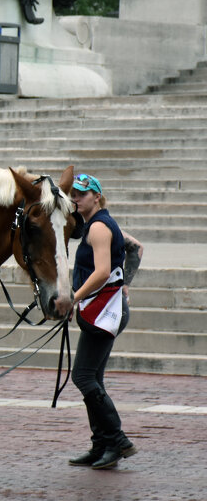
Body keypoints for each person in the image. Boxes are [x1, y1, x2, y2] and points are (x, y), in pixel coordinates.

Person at [63, 172, 144, 470]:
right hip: (108, 309)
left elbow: (100, 272)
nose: (75, 198)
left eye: (82, 194)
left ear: (96, 196)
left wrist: (74, 297)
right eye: (73, 193)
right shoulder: (103, 223)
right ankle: (101, 446)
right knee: (90, 378)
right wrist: (124, 284)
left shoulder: (98, 227)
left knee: (84, 377)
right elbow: (136, 247)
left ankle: (118, 441)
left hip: (103, 312)